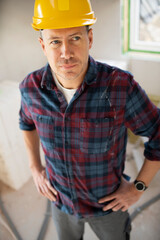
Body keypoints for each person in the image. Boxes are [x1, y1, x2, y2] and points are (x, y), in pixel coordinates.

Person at [19, 0, 160, 239]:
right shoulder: (31, 89)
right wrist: (35, 168)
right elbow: (27, 124)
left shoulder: (120, 87)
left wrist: (138, 187)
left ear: (90, 39)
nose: (66, 52)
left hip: (108, 207)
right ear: (43, 45)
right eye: (55, 41)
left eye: (75, 38)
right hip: (60, 202)